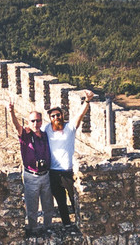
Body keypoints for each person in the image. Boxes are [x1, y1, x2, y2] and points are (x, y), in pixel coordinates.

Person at [45, 90, 94, 226]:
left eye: (58, 115)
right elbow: (34, 130)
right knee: (60, 201)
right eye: (53, 116)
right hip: (53, 172)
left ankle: (79, 224)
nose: (56, 117)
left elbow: (80, 114)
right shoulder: (46, 129)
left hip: (67, 171)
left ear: (62, 115)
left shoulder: (70, 128)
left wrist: (87, 100)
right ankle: (66, 224)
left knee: (74, 199)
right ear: (50, 118)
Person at [8, 100, 53, 232]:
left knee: (48, 205)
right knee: (32, 206)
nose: (35, 124)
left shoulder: (45, 135)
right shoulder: (26, 135)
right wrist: (11, 111)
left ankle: (48, 227)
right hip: (31, 176)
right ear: (28, 122)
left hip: (46, 175)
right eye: (32, 121)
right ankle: (33, 228)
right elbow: (16, 126)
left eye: (38, 121)